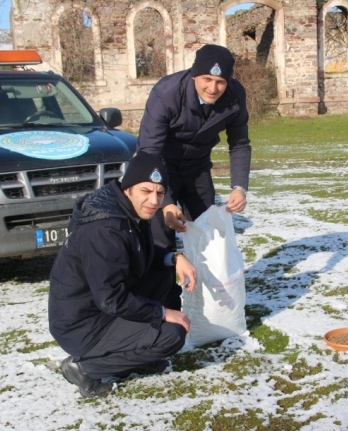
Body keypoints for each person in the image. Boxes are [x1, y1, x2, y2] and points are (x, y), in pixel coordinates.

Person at [48, 152, 198, 398]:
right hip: (82, 325)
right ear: (128, 188)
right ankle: (84, 368)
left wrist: (174, 257)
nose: (154, 200)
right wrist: (162, 313)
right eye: (146, 191)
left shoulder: (128, 211)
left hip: (98, 309)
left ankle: (140, 357)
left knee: (163, 274)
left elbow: (139, 252)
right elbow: (111, 299)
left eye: (160, 193)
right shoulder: (105, 229)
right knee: (172, 335)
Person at [137, 44, 252, 250]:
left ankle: (204, 281)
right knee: (160, 238)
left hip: (197, 167)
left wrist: (239, 187)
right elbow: (149, 151)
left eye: (220, 82)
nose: (213, 88)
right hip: (162, 168)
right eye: (207, 79)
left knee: (205, 232)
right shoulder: (166, 93)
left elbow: (240, 143)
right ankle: (163, 280)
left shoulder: (235, 96)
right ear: (194, 75)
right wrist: (165, 201)